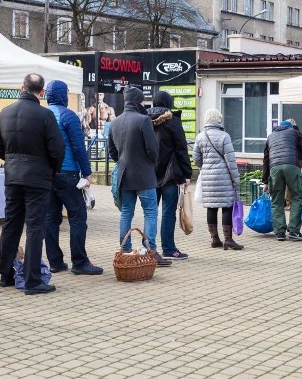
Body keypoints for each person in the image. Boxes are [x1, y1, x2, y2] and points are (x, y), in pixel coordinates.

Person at [0, 73, 64, 294]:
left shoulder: (4, 113)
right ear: (41, 92)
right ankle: (32, 280)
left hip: (13, 175)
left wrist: (13, 161)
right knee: (35, 227)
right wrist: (52, 168)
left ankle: (6, 274)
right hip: (38, 177)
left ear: (21, 87)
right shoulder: (45, 115)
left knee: (11, 225)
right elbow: (57, 149)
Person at [44, 80, 102, 275]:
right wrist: (87, 172)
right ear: (63, 95)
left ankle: (55, 262)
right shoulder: (67, 115)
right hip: (68, 173)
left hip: (47, 175)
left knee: (51, 219)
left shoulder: (43, 114)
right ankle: (79, 262)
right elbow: (78, 146)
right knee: (78, 217)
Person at [108, 87, 171, 265]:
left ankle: (125, 250)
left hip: (124, 175)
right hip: (144, 175)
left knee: (126, 213)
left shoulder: (115, 122)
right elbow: (153, 149)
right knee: (150, 212)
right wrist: (149, 162)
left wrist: (123, 162)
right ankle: (150, 251)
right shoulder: (144, 120)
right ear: (138, 101)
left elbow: (111, 151)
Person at [147, 90, 193, 260]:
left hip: (149, 174)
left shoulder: (145, 120)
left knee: (150, 213)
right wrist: (187, 173)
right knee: (168, 212)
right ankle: (168, 249)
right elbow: (181, 149)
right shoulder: (173, 121)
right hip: (170, 174)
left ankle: (149, 249)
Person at [193, 108, 243, 250]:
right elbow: (230, 160)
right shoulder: (224, 136)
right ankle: (228, 239)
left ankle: (214, 239)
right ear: (218, 119)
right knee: (227, 206)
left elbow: (196, 158)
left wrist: (205, 167)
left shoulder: (200, 136)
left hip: (208, 178)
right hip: (224, 177)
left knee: (211, 207)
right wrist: (236, 179)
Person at [263, 120, 302, 241]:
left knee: (277, 200)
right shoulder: (295, 133)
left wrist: (265, 181)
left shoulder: (270, 137)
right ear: (290, 127)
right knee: (296, 198)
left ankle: (280, 232)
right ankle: (294, 231)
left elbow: (266, 160)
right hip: (292, 167)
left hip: (275, 168)